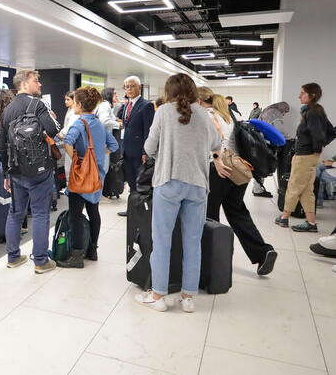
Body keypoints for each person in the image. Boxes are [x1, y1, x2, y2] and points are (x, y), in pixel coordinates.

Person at [136, 74, 221, 313]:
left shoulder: (163, 112)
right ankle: (188, 297)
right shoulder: (204, 114)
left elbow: (149, 147)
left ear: (169, 91)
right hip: (198, 184)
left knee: (162, 240)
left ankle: (158, 295)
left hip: (169, 181)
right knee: (193, 241)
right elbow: (216, 143)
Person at [197, 87, 277, 275]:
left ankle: (210, 261)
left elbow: (211, 144)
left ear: (199, 101)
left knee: (209, 216)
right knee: (237, 212)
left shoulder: (208, 116)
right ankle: (262, 251)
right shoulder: (229, 114)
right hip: (238, 168)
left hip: (218, 169)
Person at [0, 69, 59, 274]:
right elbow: (52, 130)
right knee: (41, 214)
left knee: (15, 213)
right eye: (36, 81)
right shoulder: (38, 105)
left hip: (15, 170)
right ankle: (41, 261)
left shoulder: (7, 110)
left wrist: (6, 173)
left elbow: (3, 144)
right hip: (39, 170)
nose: (39, 85)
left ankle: (13, 257)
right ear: (24, 83)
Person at [57, 87, 118, 268]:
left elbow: (67, 142)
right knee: (94, 212)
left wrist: (77, 160)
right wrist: (98, 155)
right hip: (97, 176)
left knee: (75, 216)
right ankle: (93, 250)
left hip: (81, 178)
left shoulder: (79, 123)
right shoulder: (99, 123)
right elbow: (113, 146)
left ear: (80, 104)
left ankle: (76, 256)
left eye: (75, 101)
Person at [276, 83, 334, 232]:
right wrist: (317, 150)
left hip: (305, 156)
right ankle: (311, 223)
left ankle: (284, 218)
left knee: (293, 186)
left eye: (302, 93)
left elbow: (319, 135)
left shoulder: (312, 113)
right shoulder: (315, 111)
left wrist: (314, 149)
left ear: (312, 95)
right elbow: (332, 132)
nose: (299, 96)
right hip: (308, 155)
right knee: (306, 190)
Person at [118, 76, 155, 216]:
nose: (129, 89)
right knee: (131, 182)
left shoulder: (146, 105)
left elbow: (148, 130)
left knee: (141, 183)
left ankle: (142, 210)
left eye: (132, 86)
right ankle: (132, 210)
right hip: (127, 150)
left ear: (139, 87)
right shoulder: (127, 105)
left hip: (139, 152)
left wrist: (145, 152)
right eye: (126, 86)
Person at [57, 91, 79, 179]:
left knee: (71, 166)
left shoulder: (74, 112)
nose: (65, 101)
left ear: (74, 100)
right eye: (65, 99)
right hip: (69, 142)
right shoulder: (70, 110)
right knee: (69, 166)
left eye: (68, 99)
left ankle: (72, 188)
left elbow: (69, 127)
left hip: (73, 143)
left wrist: (60, 134)